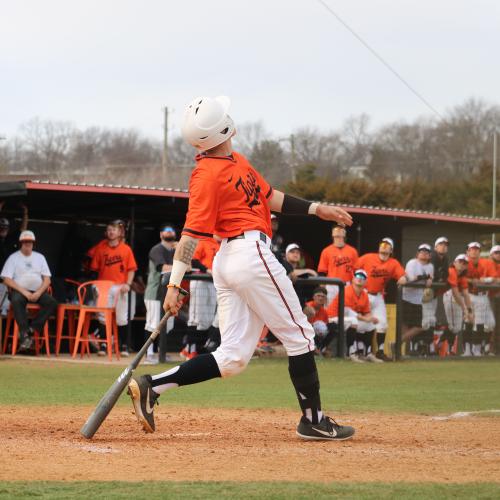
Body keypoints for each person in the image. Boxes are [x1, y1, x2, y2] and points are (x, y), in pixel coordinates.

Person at [127, 95, 355, 441]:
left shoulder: (238, 161)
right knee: (301, 336)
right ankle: (313, 420)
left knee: (232, 358)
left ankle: (152, 386)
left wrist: (317, 209)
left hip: (235, 259)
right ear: (223, 128)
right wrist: (174, 284)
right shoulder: (205, 176)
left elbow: (270, 197)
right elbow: (190, 234)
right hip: (248, 253)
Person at [1, 230, 57, 351]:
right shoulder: (13, 257)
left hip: (37, 290)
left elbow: (47, 280)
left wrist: (38, 292)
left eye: (30, 242)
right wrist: (24, 292)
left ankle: (32, 329)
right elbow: (6, 279)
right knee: (16, 300)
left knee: (52, 303)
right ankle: (24, 335)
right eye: (25, 242)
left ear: (33, 243)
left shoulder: (40, 257)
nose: (28, 244)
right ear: (21, 243)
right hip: (20, 291)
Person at [90, 220, 138, 357]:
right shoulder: (101, 247)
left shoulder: (126, 249)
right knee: (103, 317)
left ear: (119, 233)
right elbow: (94, 268)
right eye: (109, 229)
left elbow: (131, 269)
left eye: (114, 230)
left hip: (120, 286)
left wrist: (128, 284)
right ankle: (104, 344)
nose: (111, 232)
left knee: (122, 317)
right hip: (104, 285)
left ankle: (123, 345)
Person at [356, 237, 407, 361]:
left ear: (391, 250)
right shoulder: (368, 257)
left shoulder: (393, 263)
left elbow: (402, 275)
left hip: (378, 295)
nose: (384, 249)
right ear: (379, 247)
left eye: (387, 246)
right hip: (364, 293)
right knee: (363, 324)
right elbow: (354, 269)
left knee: (382, 323)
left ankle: (379, 351)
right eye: (383, 245)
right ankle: (361, 351)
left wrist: (403, 278)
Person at [326, 269, 380, 363]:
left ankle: (367, 354)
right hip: (333, 318)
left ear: (365, 281)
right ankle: (351, 354)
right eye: (357, 276)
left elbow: (366, 311)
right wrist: (366, 318)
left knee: (371, 325)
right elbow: (348, 311)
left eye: (362, 277)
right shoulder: (347, 290)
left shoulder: (364, 294)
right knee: (353, 321)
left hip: (347, 319)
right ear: (353, 279)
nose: (359, 279)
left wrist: (371, 318)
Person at [143, 226, 177, 365]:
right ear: (161, 234)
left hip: (170, 292)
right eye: (166, 230)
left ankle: (160, 352)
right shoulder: (157, 249)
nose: (169, 232)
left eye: (171, 230)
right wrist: (180, 266)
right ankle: (149, 354)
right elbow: (162, 267)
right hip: (155, 292)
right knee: (152, 324)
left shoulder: (175, 250)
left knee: (167, 325)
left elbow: (188, 264)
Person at [182, 237, 221, 359]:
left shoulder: (221, 245)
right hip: (200, 279)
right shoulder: (203, 241)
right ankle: (190, 349)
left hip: (212, 282)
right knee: (196, 318)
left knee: (207, 319)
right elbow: (194, 260)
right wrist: (207, 270)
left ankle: (189, 349)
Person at [401, 244, 434, 352]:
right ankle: (401, 352)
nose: (424, 253)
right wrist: (424, 278)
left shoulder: (430, 266)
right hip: (406, 298)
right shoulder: (412, 263)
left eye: (427, 251)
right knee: (404, 327)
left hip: (418, 300)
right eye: (421, 251)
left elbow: (429, 281)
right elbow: (410, 279)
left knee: (419, 326)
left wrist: (427, 279)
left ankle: (396, 344)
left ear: (430, 255)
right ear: (417, 253)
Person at [465, 242, 495, 356]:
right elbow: (459, 276)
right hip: (468, 295)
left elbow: (493, 277)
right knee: (467, 323)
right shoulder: (464, 261)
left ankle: (477, 349)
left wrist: (485, 279)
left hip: (482, 296)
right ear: (468, 251)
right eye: (472, 249)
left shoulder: (486, 263)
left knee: (482, 324)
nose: (474, 251)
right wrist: (473, 280)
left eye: (477, 249)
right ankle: (468, 350)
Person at [421, 237, 450, 351]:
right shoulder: (432, 256)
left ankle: (429, 346)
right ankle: (424, 345)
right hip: (424, 292)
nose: (443, 246)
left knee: (430, 320)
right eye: (441, 244)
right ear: (435, 247)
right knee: (426, 320)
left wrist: (441, 278)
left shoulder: (445, 258)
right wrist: (440, 278)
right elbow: (435, 274)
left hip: (433, 293)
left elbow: (445, 275)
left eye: (445, 245)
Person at [317, 225, 358, 305]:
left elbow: (357, 272)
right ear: (333, 235)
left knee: (347, 310)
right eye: (336, 232)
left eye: (341, 231)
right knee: (330, 310)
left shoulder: (352, 251)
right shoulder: (326, 251)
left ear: (344, 235)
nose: (339, 236)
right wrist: (322, 291)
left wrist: (355, 288)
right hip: (331, 284)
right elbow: (322, 273)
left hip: (348, 285)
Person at [0, 202, 29, 315]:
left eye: (5, 227)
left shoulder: (11, 239)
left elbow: (23, 229)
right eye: (1, 227)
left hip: (9, 281)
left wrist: (25, 213)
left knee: (6, 310)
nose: (3, 229)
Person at [442, 254, 473, 356]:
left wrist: (470, 311)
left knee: (457, 327)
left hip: (453, 297)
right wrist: (464, 309)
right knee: (454, 327)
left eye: (464, 263)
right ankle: (445, 347)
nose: (462, 264)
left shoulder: (462, 276)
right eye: (460, 262)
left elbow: (466, 294)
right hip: (448, 295)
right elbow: (455, 293)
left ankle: (444, 346)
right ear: (454, 262)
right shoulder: (451, 271)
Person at [303, 286, 335, 355]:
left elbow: (325, 328)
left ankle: (321, 348)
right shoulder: (307, 306)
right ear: (313, 297)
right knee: (315, 326)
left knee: (333, 326)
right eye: (318, 296)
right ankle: (314, 348)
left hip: (318, 335)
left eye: (323, 296)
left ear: (325, 299)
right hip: (306, 335)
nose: (320, 298)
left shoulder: (324, 312)